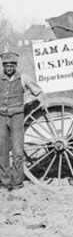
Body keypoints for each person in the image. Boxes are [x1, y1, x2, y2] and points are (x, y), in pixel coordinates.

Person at [0, 51, 44, 191]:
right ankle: (5, 183)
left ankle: (18, 183)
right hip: (1, 118)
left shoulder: (23, 78)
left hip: (17, 117)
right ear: (3, 66)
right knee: (2, 151)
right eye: (6, 65)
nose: (8, 68)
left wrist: (31, 101)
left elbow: (38, 92)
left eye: (11, 65)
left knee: (18, 151)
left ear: (15, 66)